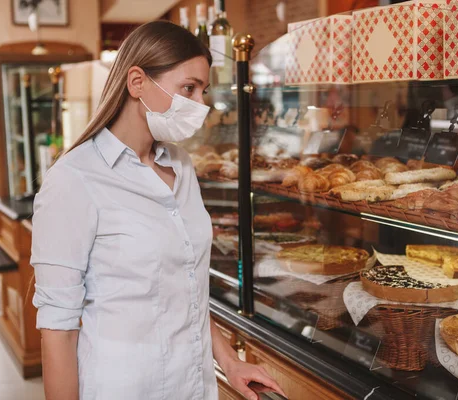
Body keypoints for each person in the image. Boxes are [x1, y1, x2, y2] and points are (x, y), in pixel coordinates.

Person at [31, 21, 285, 400]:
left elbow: (189, 290)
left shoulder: (182, 167)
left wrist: (229, 362)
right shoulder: (74, 180)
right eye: (189, 88)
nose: (201, 105)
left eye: (203, 90)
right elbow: (58, 330)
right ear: (137, 82)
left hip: (194, 387)